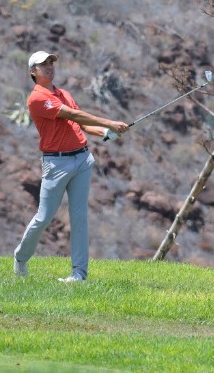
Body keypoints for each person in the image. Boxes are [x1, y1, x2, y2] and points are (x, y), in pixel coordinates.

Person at [13, 50, 129, 282]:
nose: (49, 67)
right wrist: (110, 122)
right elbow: (73, 114)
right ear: (33, 72)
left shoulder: (63, 93)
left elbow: (81, 125)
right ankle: (21, 257)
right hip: (56, 164)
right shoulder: (37, 98)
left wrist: (106, 132)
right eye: (43, 64)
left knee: (79, 219)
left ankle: (79, 275)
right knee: (44, 217)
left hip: (82, 159)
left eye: (51, 63)